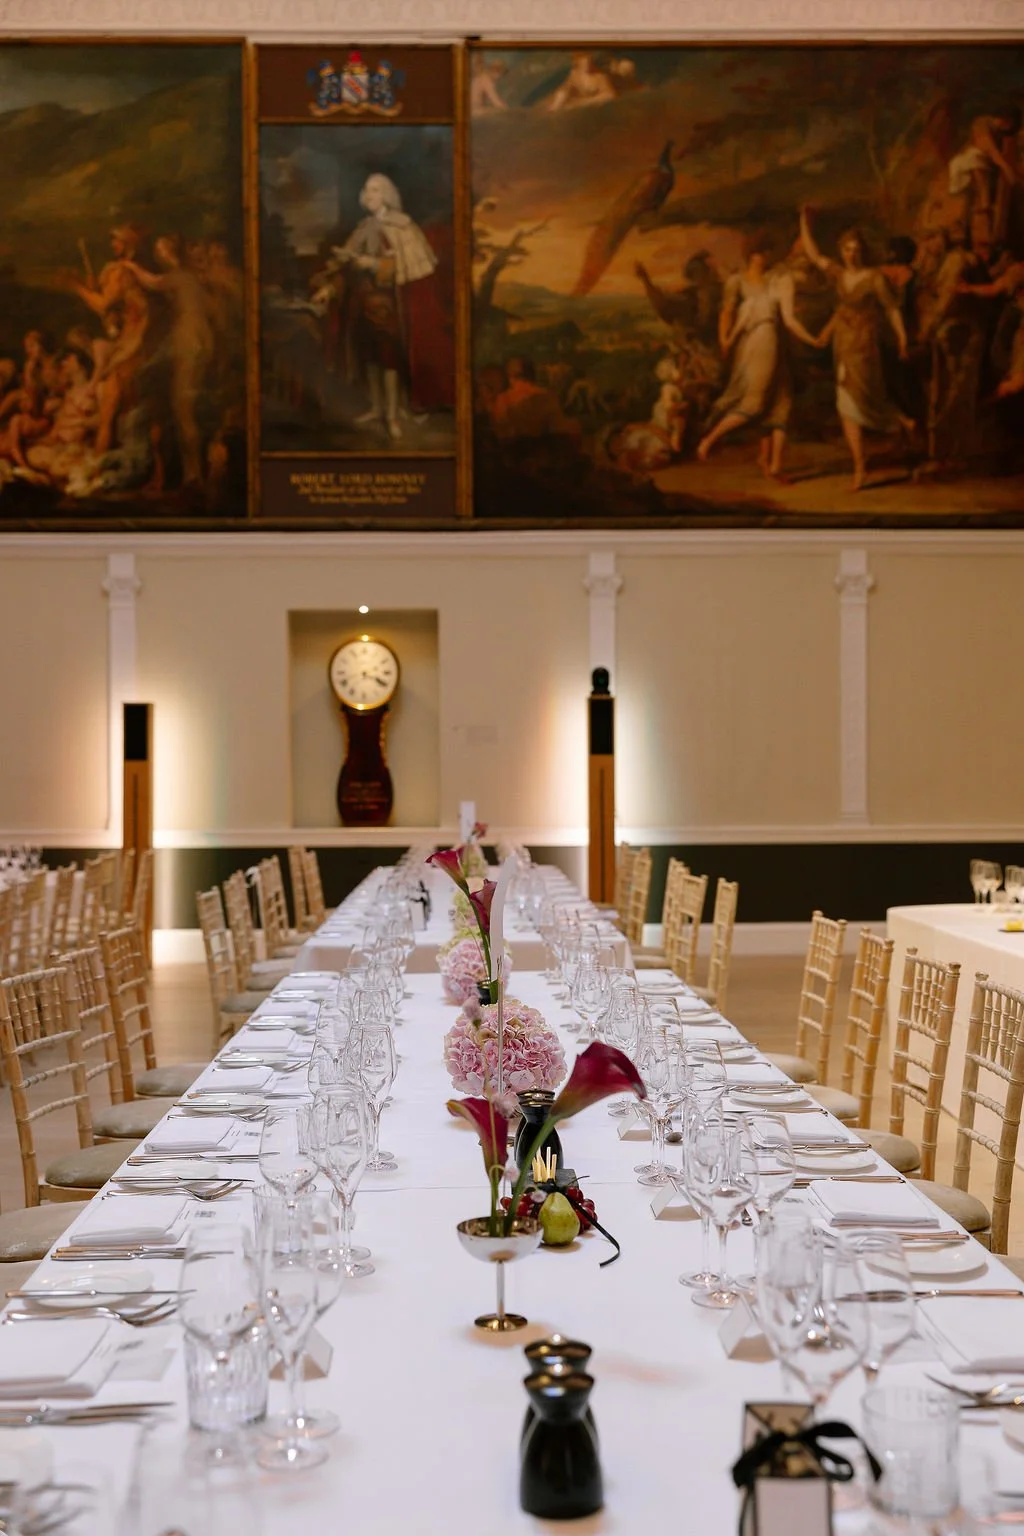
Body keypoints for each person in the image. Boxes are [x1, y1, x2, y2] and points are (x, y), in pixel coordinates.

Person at [327, 172, 452, 441]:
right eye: (367, 190)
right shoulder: (364, 227)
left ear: (386, 195)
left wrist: (372, 264)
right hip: (364, 302)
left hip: (389, 305)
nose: (369, 195)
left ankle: (393, 413)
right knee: (369, 356)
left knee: (389, 359)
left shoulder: (402, 226)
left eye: (375, 190)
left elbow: (403, 267)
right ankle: (376, 407)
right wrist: (344, 261)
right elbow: (348, 259)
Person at [800, 207, 914, 490]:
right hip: (842, 343)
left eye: (856, 249)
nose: (851, 254)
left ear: (863, 251)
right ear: (841, 251)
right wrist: (804, 222)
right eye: (847, 249)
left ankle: (901, 421)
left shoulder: (874, 278)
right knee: (846, 404)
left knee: (865, 397)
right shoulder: (838, 274)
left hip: (864, 345)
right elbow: (814, 255)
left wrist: (902, 338)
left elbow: (891, 310)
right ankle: (860, 467)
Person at [696, 233, 823, 479]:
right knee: (754, 403)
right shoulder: (737, 280)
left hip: (775, 342)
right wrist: (724, 340)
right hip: (757, 342)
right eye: (763, 253)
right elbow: (727, 311)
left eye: (767, 253)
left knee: (781, 403)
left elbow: (789, 315)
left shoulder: (776, 278)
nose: (766, 257)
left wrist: (810, 339)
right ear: (753, 255)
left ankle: (772, 464)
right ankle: (708, 440)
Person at [122, 234, 214, 485]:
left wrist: (130, 266)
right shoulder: (192, 278)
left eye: (161, 251)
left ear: (172, 253)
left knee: (184, 410)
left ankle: (193, 474)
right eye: (156, 251)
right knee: (183, 407)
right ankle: (191, 472)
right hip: (198, 338)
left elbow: (152, 282)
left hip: (189, 340)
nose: (158, 255)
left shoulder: (180, 276)